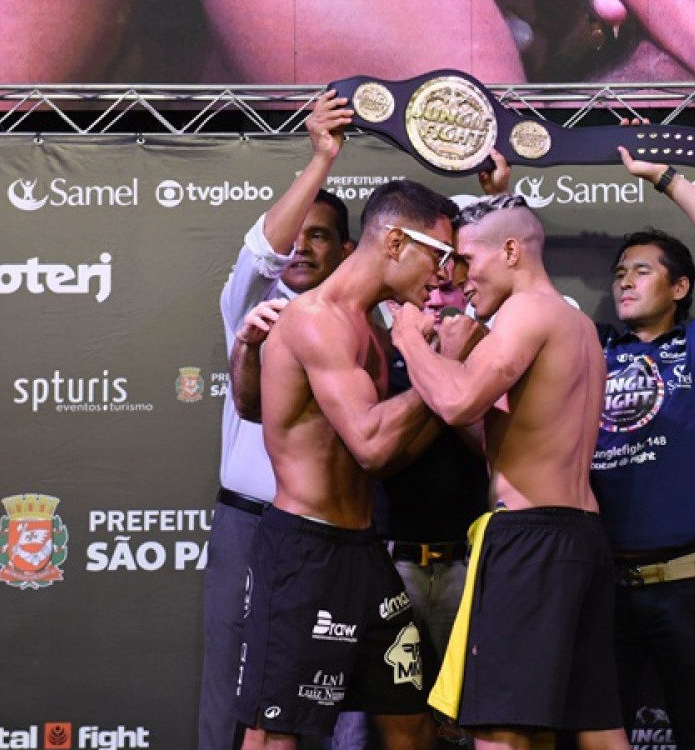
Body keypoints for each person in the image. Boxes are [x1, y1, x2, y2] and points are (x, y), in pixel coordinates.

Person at [390, 194, 629, 750]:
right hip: (579, 536)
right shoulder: (577, 325)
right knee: (596, 727)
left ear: (512, 251)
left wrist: (407, 340)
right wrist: (453, 362)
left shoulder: (525, 313)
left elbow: (457, 404)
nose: (459, 277)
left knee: (499, 728)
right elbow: (504, 441)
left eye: (468, 260)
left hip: (531, 543)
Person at [235, 176, 462, 750]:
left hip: (363, 550)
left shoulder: (375, 328)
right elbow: (370, 443)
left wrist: (450, 386)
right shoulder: (318, 320)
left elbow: (382, 461)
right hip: (305, 553)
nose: (443, 273)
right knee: (275, 734)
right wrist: (440, 366)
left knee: (410, 721)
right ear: (395, 242)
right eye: (438, 255)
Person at [589, 144, 695, 750]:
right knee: (593, 734)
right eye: (619, 272)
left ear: (680, 286)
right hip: (602, 583)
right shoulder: (590, 348)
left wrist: (662, 176)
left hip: (689, 584)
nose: (624, 280)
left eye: (642, 271)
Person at [201, 89, 355, 750]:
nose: (301, 246)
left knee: (327, 692)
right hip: (250, 523)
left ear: (347, 250)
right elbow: (261, 249)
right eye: (297, 233)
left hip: (331, 531)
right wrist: (320, 160)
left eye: (319, 236)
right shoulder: (251, 307)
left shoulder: (367, 322)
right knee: (231, 686)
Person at [375, 265, 490, 750]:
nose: (440, 299)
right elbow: (383, 458)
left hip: (468, 565)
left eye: (451, 288)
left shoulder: (488, 356)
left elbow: (493, 450)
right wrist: (444, 384)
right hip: (395, 563)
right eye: (431, 289)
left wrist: (452, 383)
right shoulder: (386, 360)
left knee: (473, 716)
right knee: (401, 719)